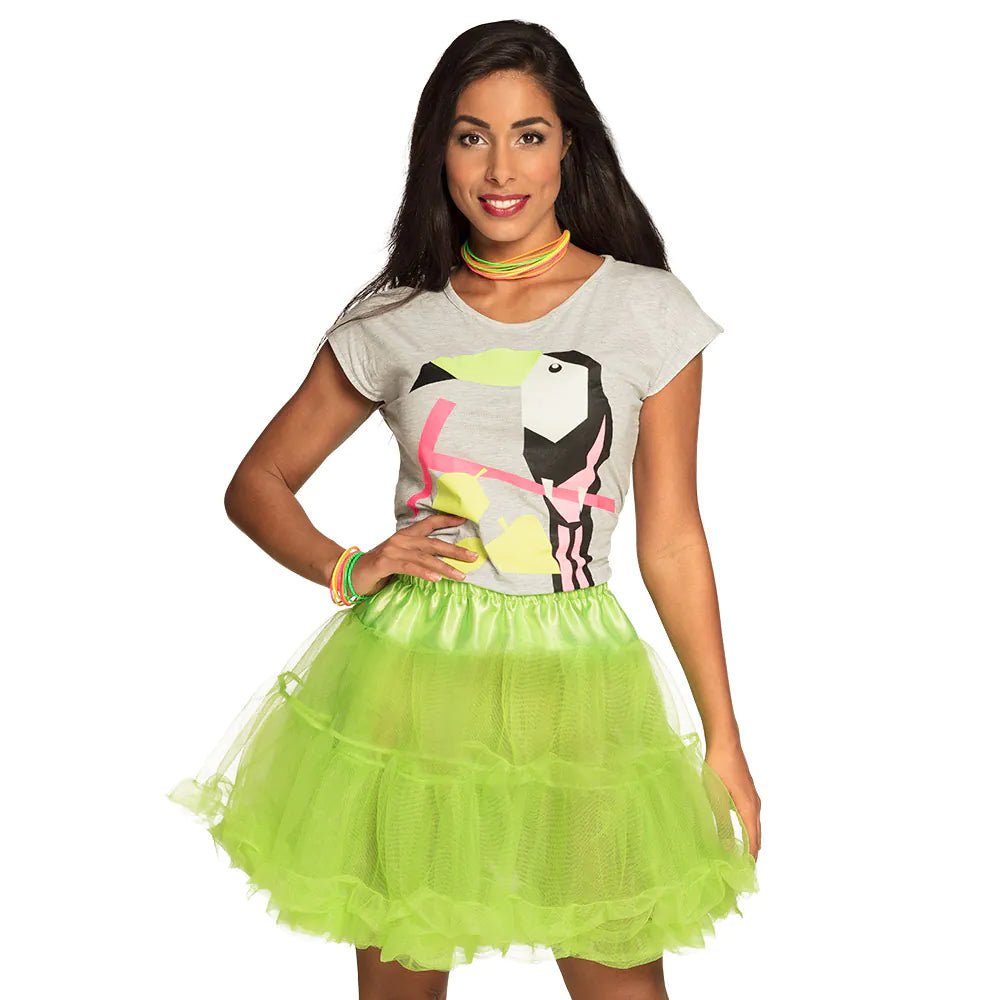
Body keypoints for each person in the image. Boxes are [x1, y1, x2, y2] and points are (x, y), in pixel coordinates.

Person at [168, 19, 761, 1000]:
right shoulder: (396, 320)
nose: (500, 168)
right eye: (470, 135)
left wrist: (724, 737)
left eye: (529, 135)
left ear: (569, 146)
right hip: (416, 672)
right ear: (436, 151)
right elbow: (257, 483)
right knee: (404, 968)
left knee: (618, 971)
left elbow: (671, 538)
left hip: (578, 679)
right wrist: (348, 565)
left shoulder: (647, 310)